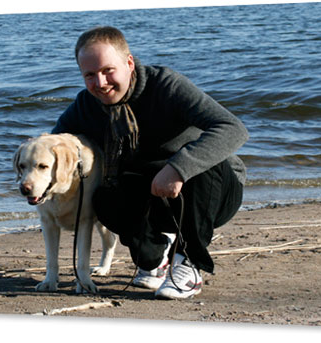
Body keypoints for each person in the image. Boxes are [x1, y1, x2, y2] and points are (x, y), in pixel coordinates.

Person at [52, 26, 249, 300]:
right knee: (105, 197)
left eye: (108, 70)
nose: (100, 82)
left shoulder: (166, 85)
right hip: (153, 195)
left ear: (129, 63)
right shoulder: (86, 106)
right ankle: (155, 256)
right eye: (89, 75)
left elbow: (233, 128)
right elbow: (53, 145)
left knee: (206, 163)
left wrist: (178, 167)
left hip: (214, 193)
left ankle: (188, 262)